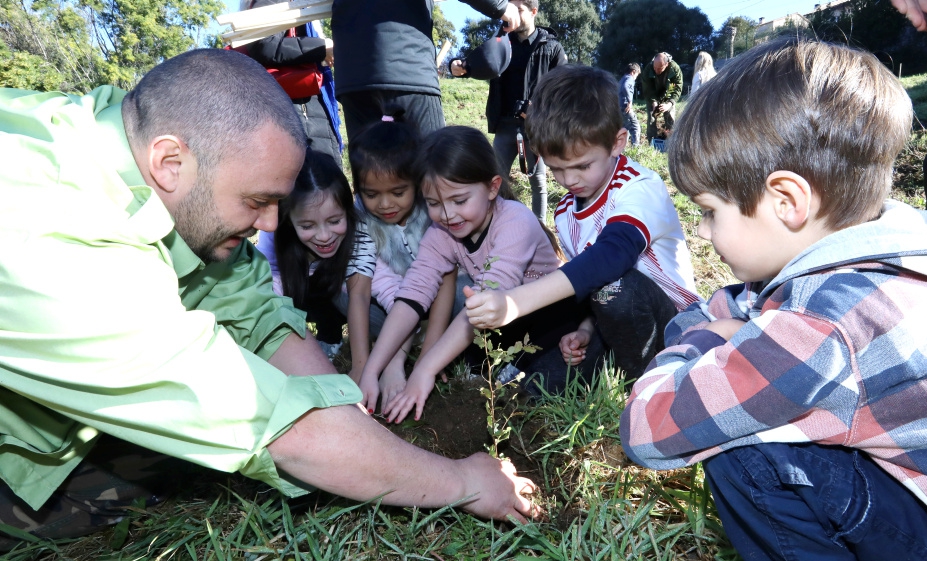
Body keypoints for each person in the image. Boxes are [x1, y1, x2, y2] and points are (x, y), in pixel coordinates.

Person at [0, 48, 538, 548]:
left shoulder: (134, 140)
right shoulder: (50, 243)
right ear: (169, 163)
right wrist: (463, 481)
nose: (271, 224)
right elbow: (271, 427)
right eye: (257, 201)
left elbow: (259, 314)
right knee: (197, 461)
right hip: (21, 459)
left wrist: (345, 412)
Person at [621, 39, 927, 560]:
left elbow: (646, 428)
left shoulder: (823, 328)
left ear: (786, 201)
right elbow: (736, 302)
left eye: (709, 211)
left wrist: (698, 339)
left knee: (751, 458)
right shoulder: (889, 248)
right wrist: (721, 323)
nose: (702, 231)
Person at [465, 65, 701, 385]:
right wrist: (585, 329)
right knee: (538, 386)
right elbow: (587, 284)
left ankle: (653, 386)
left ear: (618, 142)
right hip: (610, 324)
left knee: (613, 285)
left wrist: (513, 302)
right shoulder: (564, 212)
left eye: (583, 166)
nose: (570, 180)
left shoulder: (639, 186)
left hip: (674, 327)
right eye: (556, 169)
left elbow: (611, 257)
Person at [365, 126, 596, 424]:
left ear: (492, 187)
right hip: (499, 321)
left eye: (459, 201)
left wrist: (425, 369)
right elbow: (412, 295)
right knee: (466, 358)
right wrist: (372, 370)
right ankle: (505, 370)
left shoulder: (515, 220)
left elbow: (491, 299)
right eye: (434, 204)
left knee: (541, 385)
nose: (448, 215)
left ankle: (539, 366)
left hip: (549, 315)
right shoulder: (440, 233)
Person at [344, 110, 465, 412]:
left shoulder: (434, 212)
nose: (385, 204)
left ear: (417, 183)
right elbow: (360, 291)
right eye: (371, 194)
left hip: (443, 304)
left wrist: (427, 359)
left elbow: (443, 284)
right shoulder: (360, 217)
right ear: (358, 191)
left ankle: (431, 349)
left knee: (467, 301)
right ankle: (396, 351)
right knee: (344, 293)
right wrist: (362, 367)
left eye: (398, 192)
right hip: (395, 306)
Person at [330, 0, 522, 139]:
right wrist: (501, 6)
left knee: (370, 178)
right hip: (407, 64)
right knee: (432, 171)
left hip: (352, 73)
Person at [450, 0, 568, 221]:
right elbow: (479, 62)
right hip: (504, 124)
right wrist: (457, 66)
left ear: (533, 12)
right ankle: (499, 226)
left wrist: (537, 109)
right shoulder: (501, 42)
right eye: (509, 8)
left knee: (538, 182)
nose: (510, 14)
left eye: (518, 10)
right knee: (495, 179)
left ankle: (540, 231)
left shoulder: (552, 47)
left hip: (535, 127)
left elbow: (561, 90)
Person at [254, 149, 373, 360]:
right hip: (298, 292)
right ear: (289, 219)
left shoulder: (361, 233)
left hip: (343, 295)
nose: (324, 236)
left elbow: (377, 284)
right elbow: (266, 276)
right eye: (308, 225)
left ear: (348, 209)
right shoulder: (274, 232)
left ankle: (330, 334)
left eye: (334, 221)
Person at [243, 0, 342, 163]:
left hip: (308, 103)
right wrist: (320, 48)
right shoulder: (272, 1)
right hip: (297, 106)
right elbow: (264, 44)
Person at [639, 52, 682, 141]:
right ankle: (652, 141)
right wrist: (653, 101)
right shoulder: (648, 69)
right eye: (655, 67)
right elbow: (647, 89)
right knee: (651, 118)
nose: (656, 70)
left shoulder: (674, 68)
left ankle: (671, 141)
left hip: (668, 95)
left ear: (666, 64)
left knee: (670, 118)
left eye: (659, 68)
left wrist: (670, 103)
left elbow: (677, 87)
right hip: (653, 95)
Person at [618, 62, 641, 146]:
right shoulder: (629, 78)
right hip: (625, 106)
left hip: (619, 107)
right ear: (633, 72)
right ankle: (636, 148)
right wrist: (630, 102)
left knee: (624, 128)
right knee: (635, 127)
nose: (636, 78)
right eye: (637, 75)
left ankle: (622, 148)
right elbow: (626, 86)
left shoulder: (622, 79)